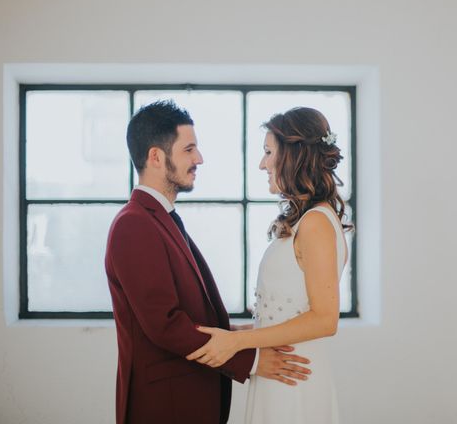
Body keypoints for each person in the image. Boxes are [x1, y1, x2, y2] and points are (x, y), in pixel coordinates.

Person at [105, 100, 311, 424]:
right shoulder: (134, 224)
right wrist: (251, 358)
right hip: (166, 408)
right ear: (156, 157)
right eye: (189, 149)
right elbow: (165, 324)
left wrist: (245, 332)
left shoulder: (160, 219)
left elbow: (190, 315)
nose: (199, 159)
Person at [186, 107, 352, 424]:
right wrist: (232, 332)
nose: (262, 164)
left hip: (296, 378)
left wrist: (237, 342)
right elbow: (291, 313)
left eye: (267, 152)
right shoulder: (305, 219)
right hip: (282, 370)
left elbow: (324, 319)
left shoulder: (316, 223)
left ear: (294, 155)